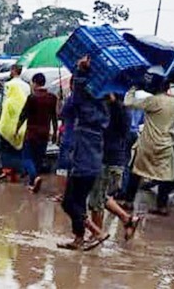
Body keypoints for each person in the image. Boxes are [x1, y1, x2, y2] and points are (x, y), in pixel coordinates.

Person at [58, 56, 109, 251]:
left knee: (69, 203)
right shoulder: (102, 109)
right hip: (90, 162)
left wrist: (81, 71)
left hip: (83, 164)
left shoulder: (87, 115)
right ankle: (79, 238)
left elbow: (77, 98)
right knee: (75, 202)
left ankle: (96, 232)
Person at [87, 93, 141, 242]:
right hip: (115, 159)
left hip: (107, 158)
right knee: (102, 196)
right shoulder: (123, 110)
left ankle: (96, 234)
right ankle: (127, 219)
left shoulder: (116, 110)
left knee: (97, 198)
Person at [123, 80, 174, 216]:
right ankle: (162, 206)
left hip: (148, 143)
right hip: (166, 143)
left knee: (136, 171)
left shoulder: (153, 101)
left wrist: (133, 87)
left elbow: (128, 102)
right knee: (166, 175)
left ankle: (129, 201)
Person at [16, 73, 58, 193]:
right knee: (38, 159)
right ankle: (32, 183)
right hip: (44, 133)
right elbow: (54, 117)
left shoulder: (32, 97)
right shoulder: (52, 97)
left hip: (31, 133)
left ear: (35, 83)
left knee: (27, 158)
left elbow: (23, 115)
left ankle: (35, 177)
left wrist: (17, 129)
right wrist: (54, 132)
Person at [0, 64, 31, 181]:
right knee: (19, 148)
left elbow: (4, 105)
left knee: (5, 147)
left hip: (8, 122)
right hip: (23, 122)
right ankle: (18, 172)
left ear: (13, 71)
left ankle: (7, 170)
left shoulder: (8, 85)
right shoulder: (27, 86)